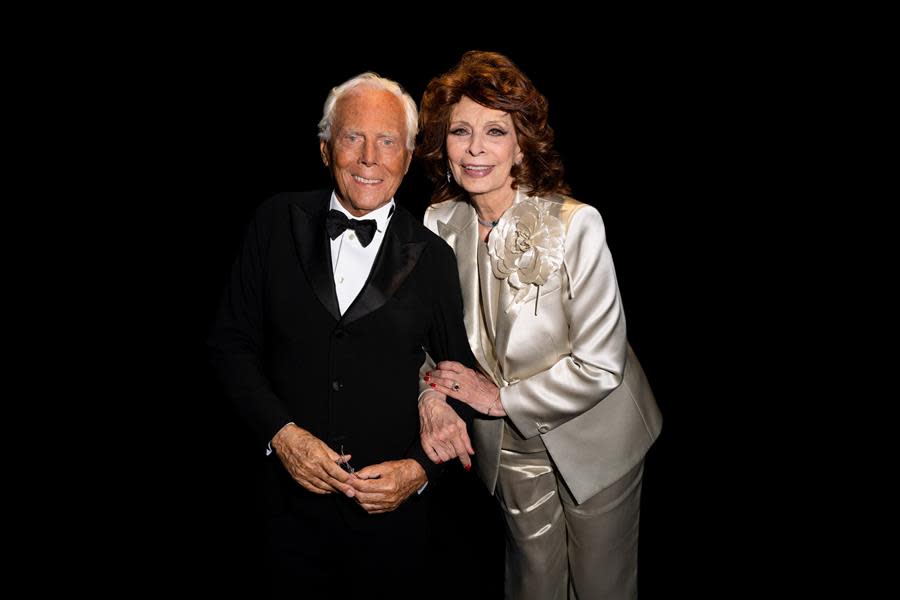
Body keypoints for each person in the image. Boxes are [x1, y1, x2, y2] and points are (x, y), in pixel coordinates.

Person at [207, 72, 476, 598]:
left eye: (388, 141)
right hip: (280, 516)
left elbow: (461, 381)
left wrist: (419, 473)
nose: (370, 157)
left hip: (392, 531)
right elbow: (229, 345)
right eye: (354, 137)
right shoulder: (273, 220)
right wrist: (282, 435)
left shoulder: (436, 258)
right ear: (326, 149)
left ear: (409, 152)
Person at [415, 51, 663, 599]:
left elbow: (601, 365)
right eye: (460, 130)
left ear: (521, 144)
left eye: (495, 131)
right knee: (533, 584)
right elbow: (422, 343)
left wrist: (499, 399)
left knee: (602, 586)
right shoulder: (437, 224)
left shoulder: (577, 224)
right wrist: (430, 398)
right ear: (443, 144)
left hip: (596, 433)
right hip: (506, 447)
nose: (476, 147)